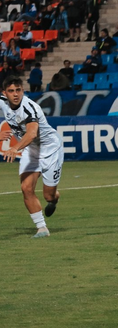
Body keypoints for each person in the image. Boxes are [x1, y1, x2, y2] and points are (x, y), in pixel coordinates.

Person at [0, 77, 63, 238]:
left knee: (48, 195)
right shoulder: (3, 102)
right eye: (11, 91)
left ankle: (54, 199)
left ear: (23, 91)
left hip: (50, 150)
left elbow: (32, 133)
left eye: (18, 90)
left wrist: (15, 147)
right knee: (26, 188)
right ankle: (42, 228)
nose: (15, 94)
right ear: (4, 93)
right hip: (31, 150)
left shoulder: (29, 108)